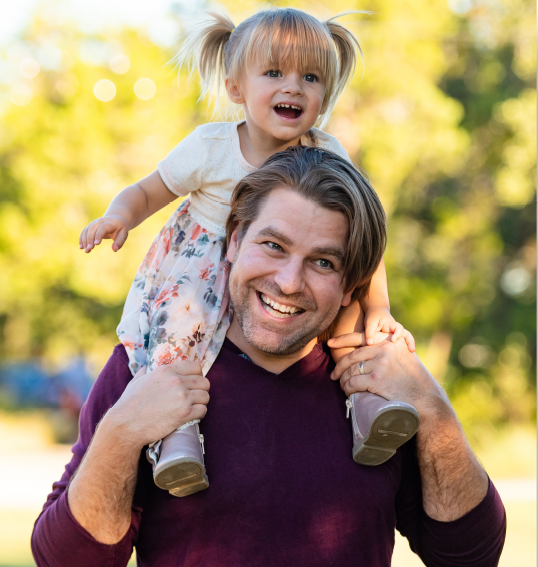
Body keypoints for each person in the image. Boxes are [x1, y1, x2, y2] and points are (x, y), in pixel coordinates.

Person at [33, 148, 505, 567]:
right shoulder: (150, 366)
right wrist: (122, 430)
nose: (288, 281)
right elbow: (65, 560)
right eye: (273, 245)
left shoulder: (380, 389)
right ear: (235, 240)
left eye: (323, 261)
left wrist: (433, 409)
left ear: (349, 285)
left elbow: (470, 554)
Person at [77, 8, 417, 496]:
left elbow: (367, 237)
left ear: (326, 93)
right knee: (179, 333)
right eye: (274, 73)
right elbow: (148, 191)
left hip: (287, 268)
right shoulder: (212, 146)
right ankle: (176, 438)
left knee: (353, 318)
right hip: (203, 266)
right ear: (236, 87)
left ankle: (368, 408)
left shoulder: (328, 154)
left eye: (311, 77)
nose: (293, 87)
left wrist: (378, 305)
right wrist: (118, 216)